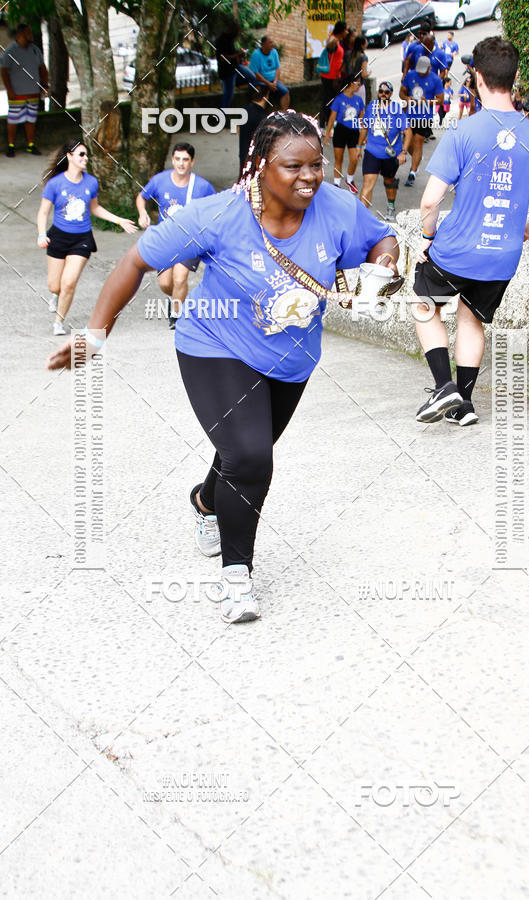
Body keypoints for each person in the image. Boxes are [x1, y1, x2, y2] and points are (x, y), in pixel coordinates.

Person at [46, 112, 399, 624]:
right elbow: (136, 262)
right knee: (252, 456)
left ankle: (205, 500)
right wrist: (95, 335)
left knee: (242, 454)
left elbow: (381, 238)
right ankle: (238, 577)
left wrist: (380, 268)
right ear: (259, 167)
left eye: (316, 165)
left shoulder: (336, 207)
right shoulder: (219, 214)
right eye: (293, 166)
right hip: (214, 344)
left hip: (292, 359)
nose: (308, 177)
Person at [412, 37, 529, 425]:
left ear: (477, 78)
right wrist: (527, 230)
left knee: (422, 304)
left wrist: (428, 238)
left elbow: (430, 202)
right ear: (514, 79)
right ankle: (462, 406)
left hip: (456, 249)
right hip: (502, 255)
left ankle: (444, 386)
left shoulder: (463, 132)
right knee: (471, 317)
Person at [37, 138, 137, 335]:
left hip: (81, 239)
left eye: (86, 154)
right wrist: (41, 234)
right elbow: (43, 212)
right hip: (58, 237)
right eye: (81, 154)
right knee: (54, 285)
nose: (86, 158)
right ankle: (56, 295)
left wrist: (118, 220)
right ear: (69, 157)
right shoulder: (55, 184)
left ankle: (59, 321)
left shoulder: (91, 182)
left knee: (69, 282)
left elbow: (95, 208)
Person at [136, 142, 216, 329]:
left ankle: (176, 317)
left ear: (192, 162)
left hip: (190, 241)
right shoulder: (159, 181)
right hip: (166, 240)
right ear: (172, 159)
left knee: (180, 278)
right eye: (178, 159)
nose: (181, 164)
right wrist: (142, 213)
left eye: (185, 160)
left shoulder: (202, 186)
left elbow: (215, 207)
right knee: (165, 284)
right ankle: (179, 299)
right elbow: (142, 197)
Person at [358, 81, 408, 221]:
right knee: (368, 184)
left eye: (386, 92)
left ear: (391, 94)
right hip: (372, 151)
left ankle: (391, 206)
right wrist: (358, 146)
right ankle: (362, 218)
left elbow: (407, 131)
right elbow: (365, 127)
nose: (383, 94)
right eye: (381, 91)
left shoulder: (396, 109)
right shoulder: (371, 107)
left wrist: (403, 152)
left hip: (391, 154)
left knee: (389, 181)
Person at [1, 23, 49, 157]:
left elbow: (42, 68)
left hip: (33, 91)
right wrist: (9, 90)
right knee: (13, 120)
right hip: (17, 93)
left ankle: (30, 145)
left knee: (31, 119)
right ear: (21, 34)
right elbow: (4, 72)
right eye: (28, 33)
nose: (31, 36)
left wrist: (45, 85)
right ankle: (11, 146)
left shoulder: (35, 50)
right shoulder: (10, 51)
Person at [400, 55, 443, 187]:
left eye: (424, 71)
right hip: (409, 115)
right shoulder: (411, 75)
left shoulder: (435, 80)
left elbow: (440, 100)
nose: (421, 73)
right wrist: (407, 99)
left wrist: (428, 102)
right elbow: (401, 93)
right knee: (407, 142)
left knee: (418, 142)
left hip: (424, 117)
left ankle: (412, 172)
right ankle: (417, 159)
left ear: (430, 68)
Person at [323, 76, 364, 193]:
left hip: (354, 132)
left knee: (354, 158)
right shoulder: (339, 99)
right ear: (351, 84)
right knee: (338, 159)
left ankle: (350, 180)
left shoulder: (359, 100)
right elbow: (332, 118)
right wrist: (327, 134)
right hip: (341, 130)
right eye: (358, 84)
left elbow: (361, 118)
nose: (359, 86)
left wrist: (364, 136)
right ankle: (336, 183)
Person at [215, 22, 257, 110]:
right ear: (231, 30)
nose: (237, 34)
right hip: (227, 72)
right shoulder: (221, 40)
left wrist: (240, 54)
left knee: (252, 77)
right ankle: (221, 116)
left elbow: (232, 53)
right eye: (237, 32)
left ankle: (251, 105)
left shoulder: (231, 39)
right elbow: (223, 58)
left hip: (236, 68)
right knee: (228, 96)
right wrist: (237, 54)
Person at [249, 36, 290, 111]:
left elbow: (278, 68)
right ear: (263, 44)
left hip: (273, 81)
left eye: (272, 42)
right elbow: (256, 73)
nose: (272, 44)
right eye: (270, 42)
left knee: (285, 92)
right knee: (260, 94)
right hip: (260, 81)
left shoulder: (274, 52)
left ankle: (284, 113)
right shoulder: (256, 54)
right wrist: (268, 84)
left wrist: (275, 82)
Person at [319, 20, 348, 128]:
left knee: (332, 100)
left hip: (335, 76)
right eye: (345, 30)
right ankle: (322, 125)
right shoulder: (334, 40)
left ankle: (329, 123)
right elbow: (329, 44)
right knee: (327, 100)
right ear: (341, 30)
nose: (347, 32)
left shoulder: (339, 41)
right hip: (330, 77)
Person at [239, 83, 270, 179]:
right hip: (256, 159)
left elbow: (239, 130)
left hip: (243, 155)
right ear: (266, 96)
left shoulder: (244, 111)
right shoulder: (263, 118)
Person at [343, 35, 368, 106]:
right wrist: (368, 73)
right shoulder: (363, 57)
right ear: (362, 45)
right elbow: (364, 74)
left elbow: (343, 69)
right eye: (366, 43)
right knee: (360, 109)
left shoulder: (347, 54)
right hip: (359, 87)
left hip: (348, 85)